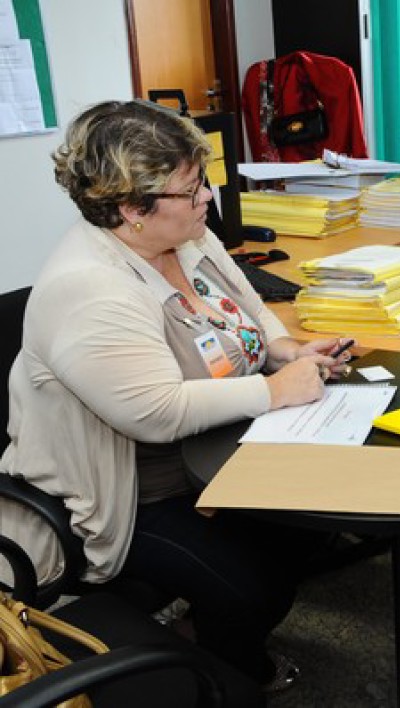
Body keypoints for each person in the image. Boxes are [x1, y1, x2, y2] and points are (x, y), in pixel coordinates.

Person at [0, 100, 355, 693]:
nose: (207, 198)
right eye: (191, 190)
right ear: (131, 208)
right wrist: (273, 389)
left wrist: (285, 349)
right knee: (254, 586)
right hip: (129, 493)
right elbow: (157, 413)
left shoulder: (188, 237)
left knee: (317, 517)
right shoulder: (89, 291)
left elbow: (251, 309)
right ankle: (228, 671)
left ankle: (204, 634)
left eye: (203, 181)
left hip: (216, 452)